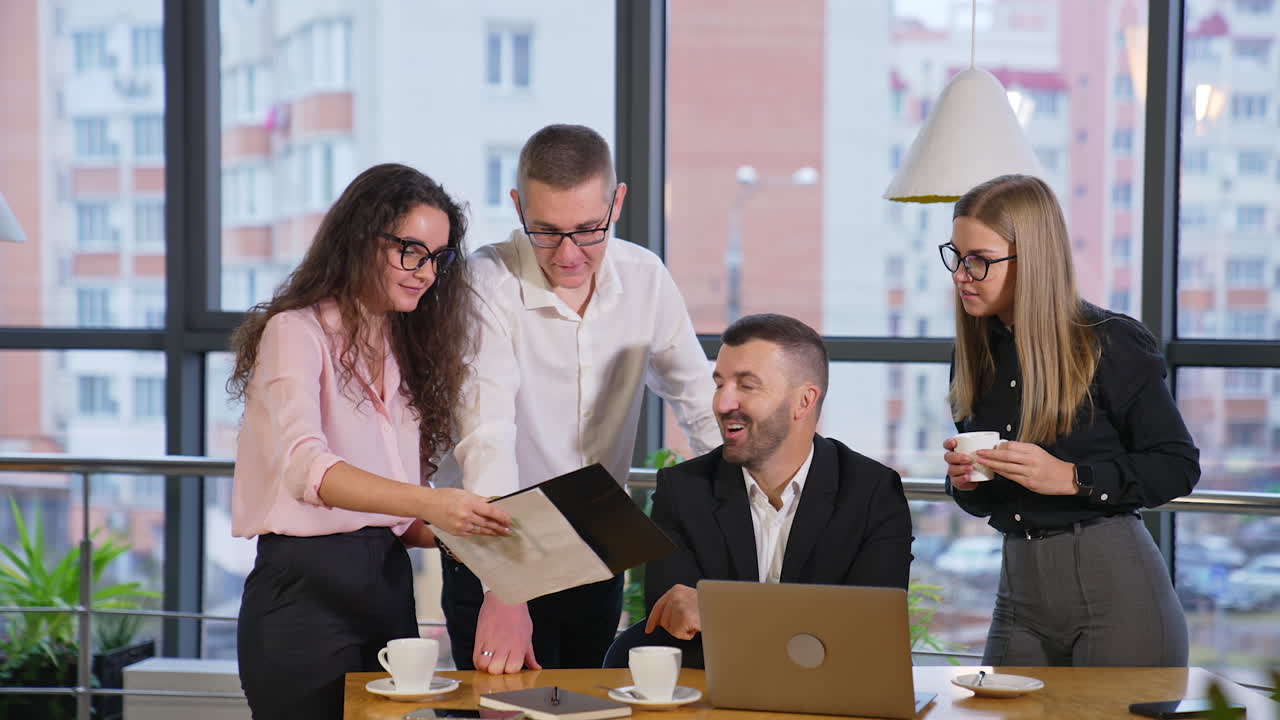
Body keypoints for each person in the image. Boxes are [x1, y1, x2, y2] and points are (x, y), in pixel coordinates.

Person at [434, 124, 722, 674]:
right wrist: (506, 585)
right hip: (494, 544)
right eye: (546, 231)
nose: (568, 254)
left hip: (593, 543)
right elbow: (487, 434)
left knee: (586, 704)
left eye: (589, 230)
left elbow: (700, 405)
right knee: (500, 709)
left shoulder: (646, 279)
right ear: (517, 207)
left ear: (617, 202)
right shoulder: (484, 282)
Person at [229, 163, 511, 719]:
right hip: (302, 594)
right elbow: (307, 469)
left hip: (386, 584)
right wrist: (434, 501)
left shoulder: (407, 346)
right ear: (362, 238)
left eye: (437, 257)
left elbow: (401, 517)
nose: (425, 272)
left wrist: (491, 534)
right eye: (410, 250)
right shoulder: (296, 331)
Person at [940, 174, 1199, 667]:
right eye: (956, 256)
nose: (960, 275)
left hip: (1114, 591)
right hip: (1017, 590)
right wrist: (966, 486)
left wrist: (1072, 478)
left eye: (979, 261)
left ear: (1032, 260)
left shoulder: (1111, 342)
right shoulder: (976, 355)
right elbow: (987, 500)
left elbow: (1177, 466)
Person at [603, 313, 913, 668]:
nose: (722, 404)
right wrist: (812, 620)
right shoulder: (683, 489)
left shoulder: (872, 493)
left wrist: (722, 609)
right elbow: (674, 621)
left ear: (804, 401)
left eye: (746, 385)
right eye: (720, 384)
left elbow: (869, 626)